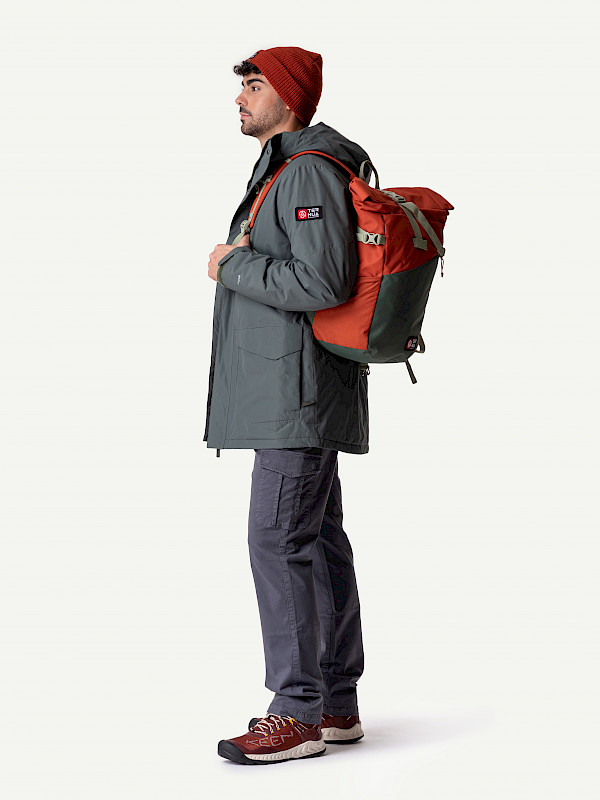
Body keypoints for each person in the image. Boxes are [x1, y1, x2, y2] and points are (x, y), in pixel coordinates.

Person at [205, 46, 371, 765]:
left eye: (255, 84)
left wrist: (231, 263)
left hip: (295, 394)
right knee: (316, 539)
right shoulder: (286, 167)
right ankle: (334, 703)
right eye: (241, 85)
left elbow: (323, 281)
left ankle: (296, 712)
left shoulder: (304, 170)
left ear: (290, 97)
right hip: (298, 387)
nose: (240, 97)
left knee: (277, 540)